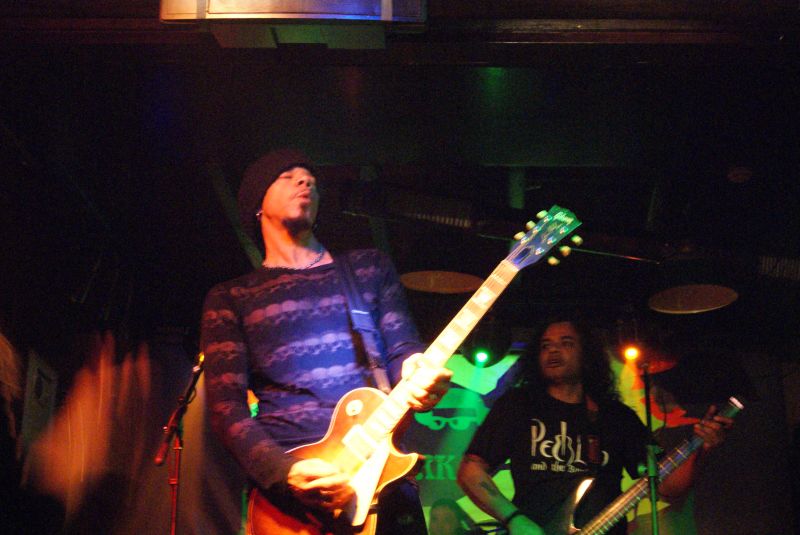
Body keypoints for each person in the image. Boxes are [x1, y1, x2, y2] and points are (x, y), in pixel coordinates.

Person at [200, 148, 452, 534]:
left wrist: (416, 369)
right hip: (294, 500)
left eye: (311, 179)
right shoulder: (231, 298)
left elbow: (403, 349)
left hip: (381, 476)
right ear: (256, 204)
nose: (305, 180)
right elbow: (225, 408)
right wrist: (285, 472)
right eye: (287, 176)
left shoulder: (368, 268)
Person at [456, 315, 733, 535]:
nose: (553, 350)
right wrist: (515, 519)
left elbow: (667, 487)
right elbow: (470, 470)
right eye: (545, 345)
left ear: (586, 354)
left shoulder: (616, 417)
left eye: (566, 343)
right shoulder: (519, 406)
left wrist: (702, 447)